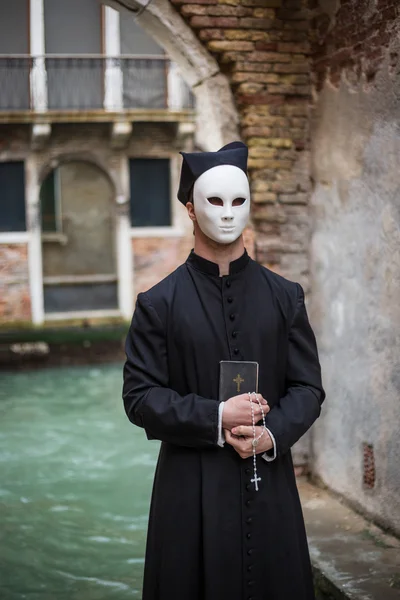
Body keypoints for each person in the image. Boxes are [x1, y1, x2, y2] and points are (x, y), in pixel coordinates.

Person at [122, 141, 325, 600]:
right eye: (215, 201)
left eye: (239, 200)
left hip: (268, 483)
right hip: (188, 490)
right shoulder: (157, 304)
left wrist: (271, 433)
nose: (229, 213)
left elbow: (308, 388)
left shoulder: (285, 295)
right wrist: (217, 417)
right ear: (191, 209)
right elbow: (139, 398)